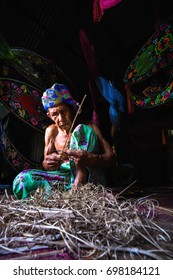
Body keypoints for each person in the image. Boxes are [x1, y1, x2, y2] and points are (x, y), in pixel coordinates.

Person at [13, 83, 116, 199]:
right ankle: (63, 197)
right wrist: (49, 163)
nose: (61, 118)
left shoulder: (89, 127)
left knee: (81, 130)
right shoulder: (51, 132)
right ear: (49, 115)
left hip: (89, 179)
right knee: (22, 179)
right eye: (55, 114)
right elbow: (46, 163)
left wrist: (92, 158)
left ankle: (79, 190)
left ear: (71, 109)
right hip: (64, 179)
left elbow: (111, 158)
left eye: (64, 111)